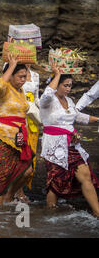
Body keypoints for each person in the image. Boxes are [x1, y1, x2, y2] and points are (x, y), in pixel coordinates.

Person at [40, 65, 99, 217]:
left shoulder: (70, 101)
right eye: (65, 85)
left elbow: (78, 117)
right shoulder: (48, 101)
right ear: (56, 84)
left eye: (70, 86)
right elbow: (47, 94)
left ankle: (97, 211)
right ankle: (50, 214)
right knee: (56, 182)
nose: (68, 89)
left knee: (85, 175)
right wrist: (57, 74)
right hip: (54, 147)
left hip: (72, 145)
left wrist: (97, 119)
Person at [0, 56, 36, 205]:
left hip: (18, 137)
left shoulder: (20, 90)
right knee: (3, 173)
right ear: (11, 75)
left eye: (25, 77)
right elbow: (0, 85)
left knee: (27, 170)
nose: (23, 80)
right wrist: (12, 65)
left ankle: (9, 196)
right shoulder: (3, 89)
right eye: (20, 76)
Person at [14, 63, 41, 202]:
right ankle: (18, 190)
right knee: (20, 154)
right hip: (20, 114)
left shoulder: (36, 75)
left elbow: (36, 98)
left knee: (31, 153)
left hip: (32, 116)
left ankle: (22, 186)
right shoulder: (14, 70)